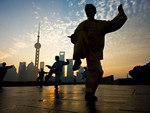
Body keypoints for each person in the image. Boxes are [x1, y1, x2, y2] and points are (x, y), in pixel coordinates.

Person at [69, 4, 127, 101]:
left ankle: (90, 92)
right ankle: (77, 59)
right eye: (87, 11)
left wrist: (120, 14)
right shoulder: (82, 25)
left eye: (91, 10)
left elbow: (113, 24)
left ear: (95, 12)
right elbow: (75, 38)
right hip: (84, 48)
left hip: (95, 51)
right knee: (81, 33)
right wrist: (73, 37)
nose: (89, 12)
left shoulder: (101, 24)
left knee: (98, 72)